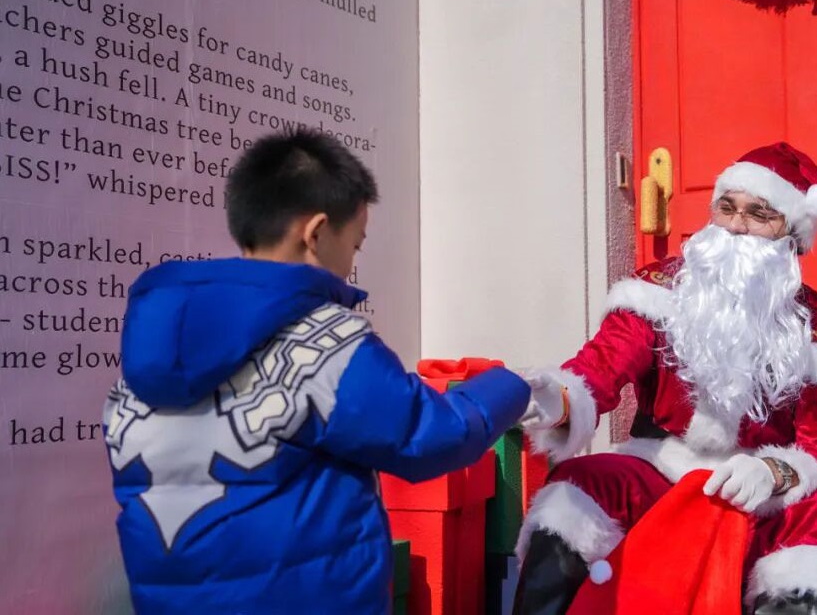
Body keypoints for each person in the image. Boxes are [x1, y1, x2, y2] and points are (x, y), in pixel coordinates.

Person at [103, 128, 531, 614]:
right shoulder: (323, 340)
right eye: (356, 245)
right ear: (316, 232)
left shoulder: (144, 365)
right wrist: (515, 385)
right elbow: (430, 436)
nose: (351, 264)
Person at [515, 143, 817, 615]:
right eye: (726, 208)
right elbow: (602, 364)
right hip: (662, 466)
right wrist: (559, 398)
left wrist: (775, 472)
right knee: (578, 487)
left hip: (761, 488)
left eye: (759, 213)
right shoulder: (658, 291)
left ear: (792, 234)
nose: (737, 225)